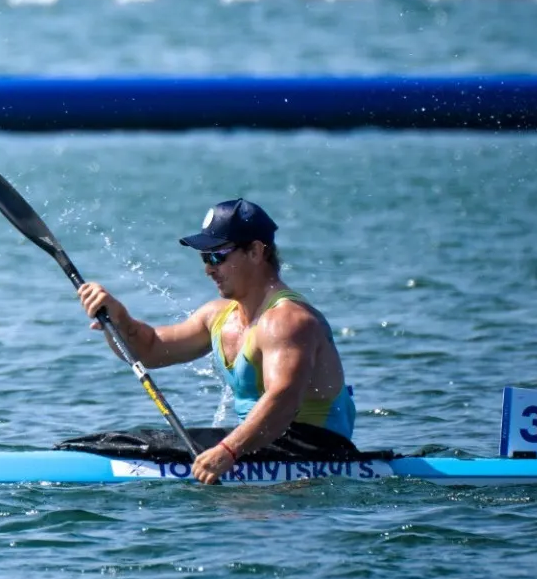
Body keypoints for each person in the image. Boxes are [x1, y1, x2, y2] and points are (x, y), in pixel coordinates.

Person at [77, 198, 354, 485]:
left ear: (256, 252)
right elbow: (149, 350)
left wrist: (226, 452)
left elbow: (283, 399)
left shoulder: (287, 321)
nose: (208, 269)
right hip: (260, 446)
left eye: (217, 256)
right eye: (204, 257)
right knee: (126, 440)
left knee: (137, 443)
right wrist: (119, 321)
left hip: (316, 448)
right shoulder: (218, 316)